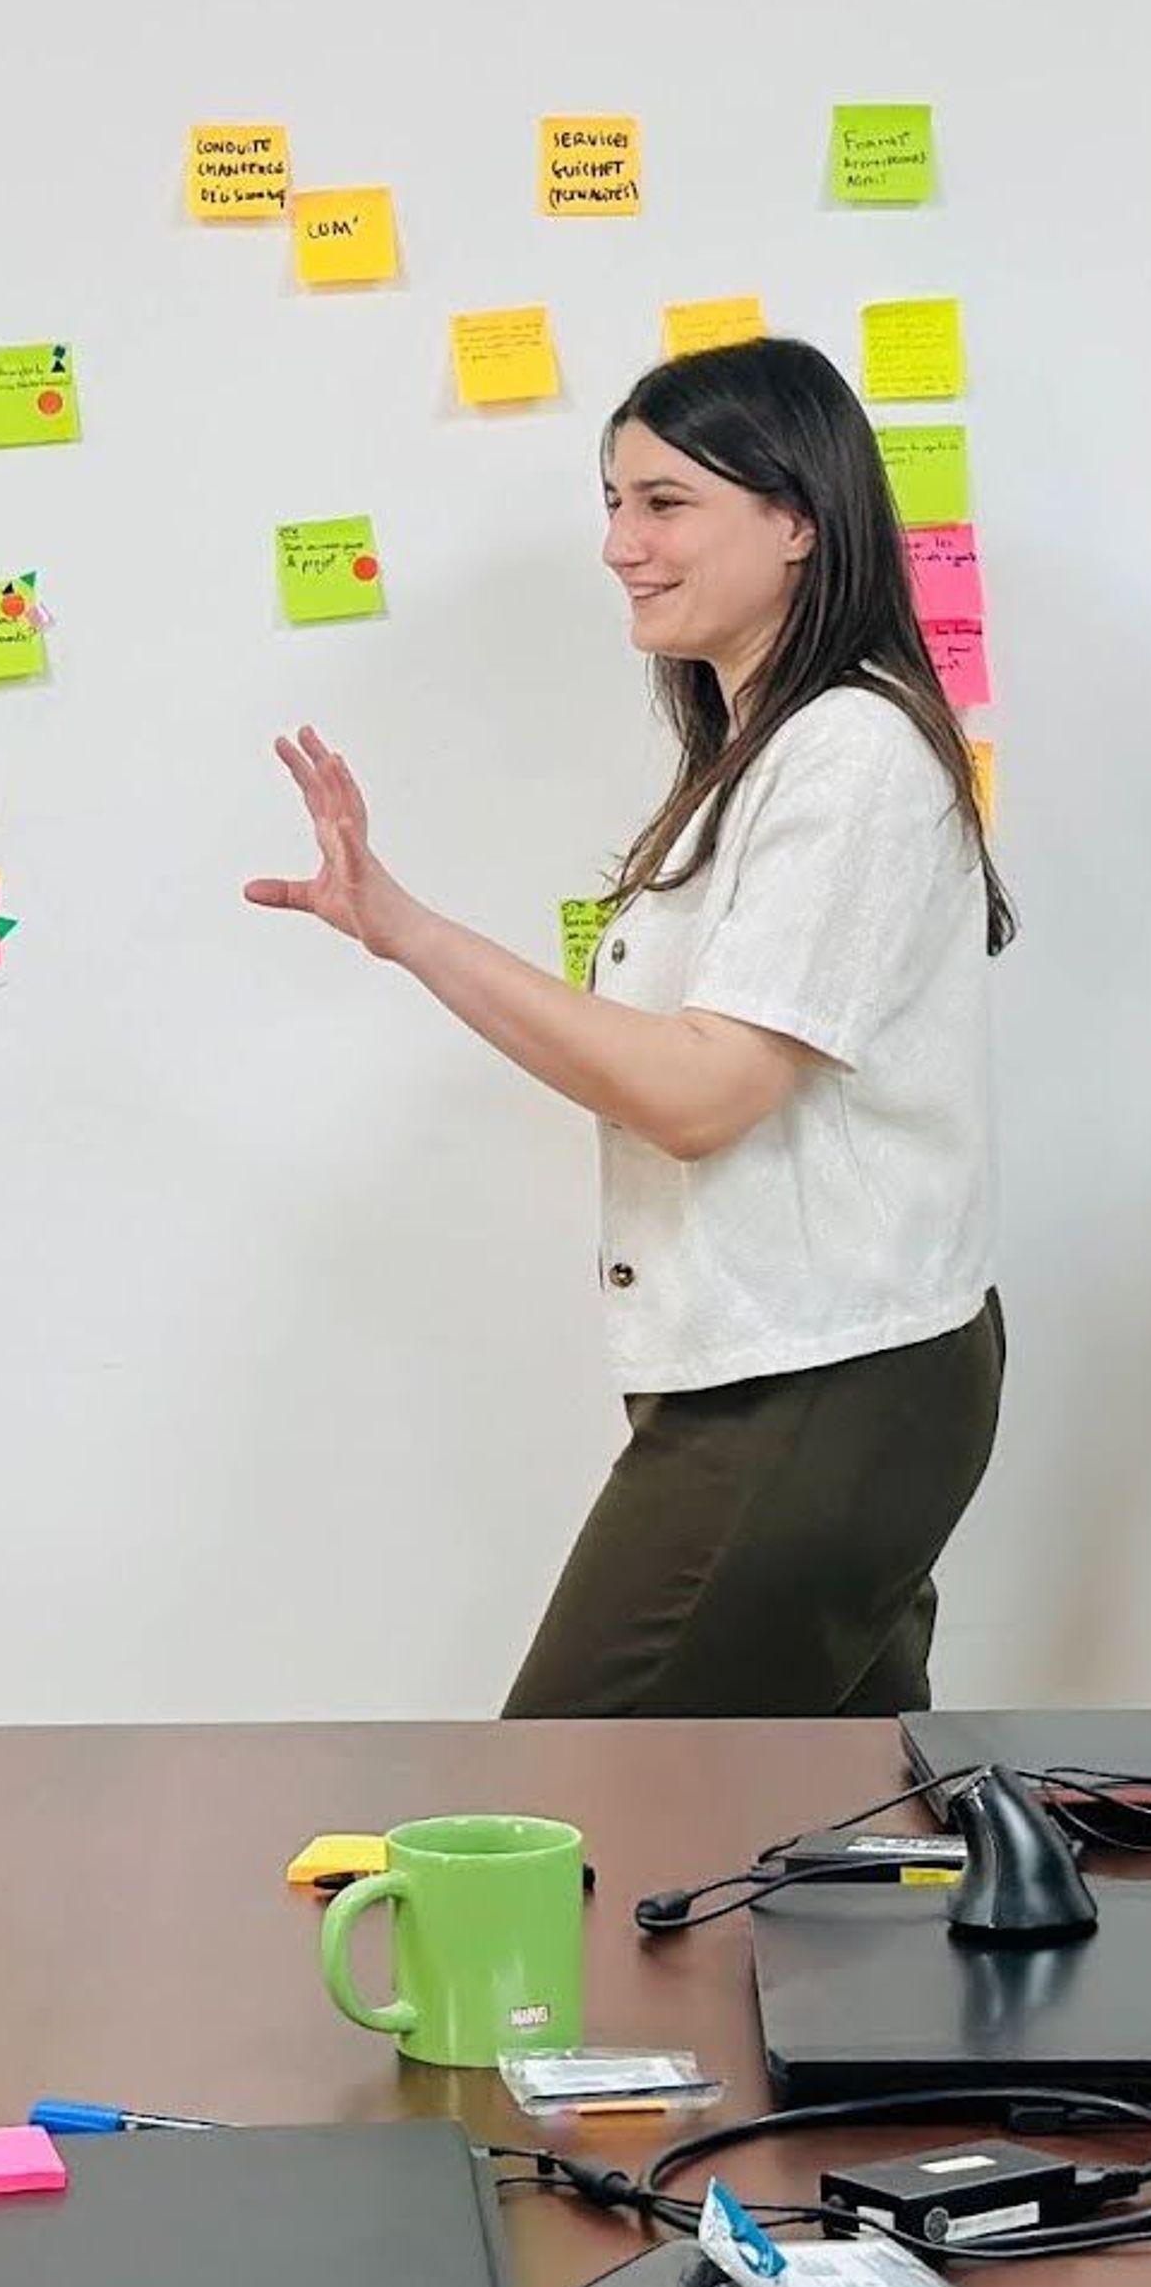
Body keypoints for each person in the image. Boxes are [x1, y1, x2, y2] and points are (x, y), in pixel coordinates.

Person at [248, 336, 1010, 1716]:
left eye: (665, 502)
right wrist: (400, 928)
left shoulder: (850, 757)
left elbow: (702, 1094)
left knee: (565, 1804)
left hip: (818, 1378)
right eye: (612, 500)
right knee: (839, 1840)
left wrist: (420, 935)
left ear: (796, 521)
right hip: (795, 1367)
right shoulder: (762, 755)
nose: (619, 544)